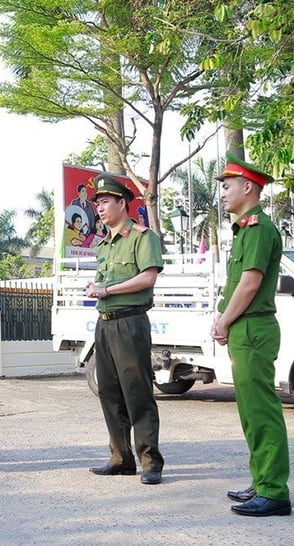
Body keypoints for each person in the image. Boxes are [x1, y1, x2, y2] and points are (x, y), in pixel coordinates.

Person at [210, 151, 291, 517]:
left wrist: (225, 321)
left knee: (261, 412)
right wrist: (225, 319)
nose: (223, 193)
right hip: (245, 328)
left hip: (253, 328)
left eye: (227, 187)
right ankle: (261, 481)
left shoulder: (258, 228)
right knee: (250, 412)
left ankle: (274, 491)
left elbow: (249, 284)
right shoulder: (245, 229)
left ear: (247, 187)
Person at [84, 173, 164, 485]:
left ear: (122, 203)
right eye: (97, 204)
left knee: (137, 393)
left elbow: (148, 278)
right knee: (110, 393)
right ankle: (120, 458)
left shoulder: (142, 238)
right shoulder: (103, 245)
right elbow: (107, 283)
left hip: (131, 323)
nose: (100, 208)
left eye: (105, 202)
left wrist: (108, 290)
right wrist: (97, 287)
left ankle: (150, 461)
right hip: (104, 326)